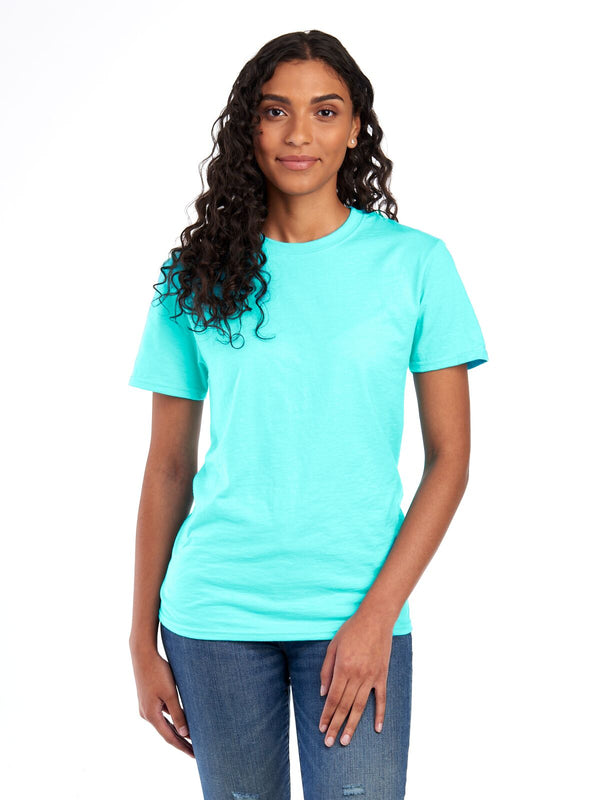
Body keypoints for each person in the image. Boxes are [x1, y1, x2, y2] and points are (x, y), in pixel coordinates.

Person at [127, 29, 489, 800]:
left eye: (324, 111)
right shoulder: (195, 274)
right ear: (248, 128)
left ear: (356, 127)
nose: (299, 134)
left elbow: (451, 461)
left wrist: (378, 617)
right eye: (275, 111)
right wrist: (139, 637)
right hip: (214, 612)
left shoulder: (416, 264)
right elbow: (168, 466)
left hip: (357, 608)